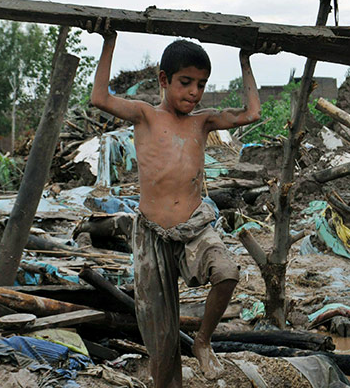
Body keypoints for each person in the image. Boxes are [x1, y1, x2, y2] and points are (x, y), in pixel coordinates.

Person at [90, 19, 276, 387]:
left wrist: (245, 59)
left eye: (201, 85)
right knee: (161, 343)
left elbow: (252, 113)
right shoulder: (145, 115)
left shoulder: (202, 122)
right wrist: (109, 40)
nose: (195, 93)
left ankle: (203, 340)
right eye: (186, 82)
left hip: (194, 226)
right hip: (151, 236)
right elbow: (100, 97)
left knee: (226, 272)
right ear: (164, 79)